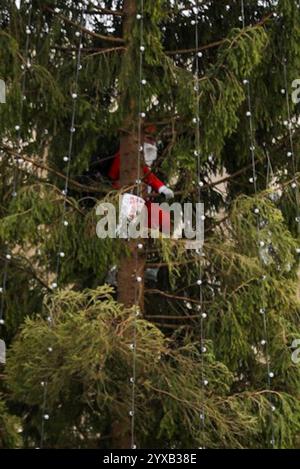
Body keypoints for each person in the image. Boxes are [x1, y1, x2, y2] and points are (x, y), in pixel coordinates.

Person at [108, 131, 174, 232]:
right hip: (125, 196)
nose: (152, 142)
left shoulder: (145, 162)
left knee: (162, 218)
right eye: (149, 138)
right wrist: (161, 188)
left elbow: (148, 175)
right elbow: (113, 174)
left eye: (153, 140)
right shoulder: (128, 154)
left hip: (142, 200)